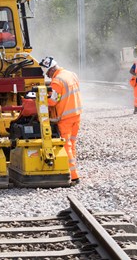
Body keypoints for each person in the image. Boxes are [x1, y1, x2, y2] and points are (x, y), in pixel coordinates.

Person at [39, 56, 83, 185]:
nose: (48, 76)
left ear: (51, 69)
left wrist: (41, 101)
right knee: (72, 144)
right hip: (77, 114)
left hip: (65, 118)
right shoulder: (71, 74)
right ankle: (73, 170)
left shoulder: (57, 81)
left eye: (47, 73)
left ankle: (73, 176)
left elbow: (53, 101)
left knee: (66, 145)